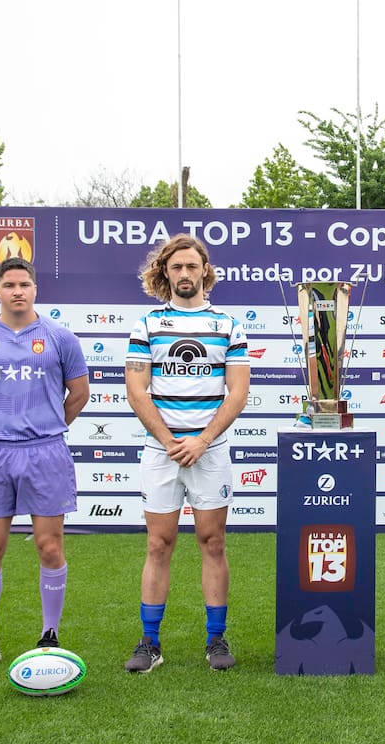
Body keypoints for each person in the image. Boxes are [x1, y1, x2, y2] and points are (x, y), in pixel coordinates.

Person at [123, 235, 250, 673]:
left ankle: (216, 639)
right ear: (165, 272)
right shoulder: (147, 325)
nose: (184, 273)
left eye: (191, 266)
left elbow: (238, 393)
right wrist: (169, 441)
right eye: (176, 266)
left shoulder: (228, 325)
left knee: (213, 542)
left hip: (209, 452)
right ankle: (150, 642)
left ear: (204, 270)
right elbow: (137, 391)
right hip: (161, 452)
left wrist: (202, 440)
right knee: (158, 544)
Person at [0, 256, 90, 670]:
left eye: (25, 285)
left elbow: (79, 393)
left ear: (35, 289)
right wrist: (1, 427)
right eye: (10, 285)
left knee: (49, 546)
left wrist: (46, 427)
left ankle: (50, 634)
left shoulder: (60, 338)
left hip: (46, 451)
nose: (18, 291)